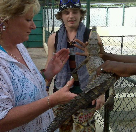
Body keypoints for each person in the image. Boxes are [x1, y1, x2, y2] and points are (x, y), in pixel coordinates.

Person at [0, 0, 78, 131]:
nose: (34, 26)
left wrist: (46, 74)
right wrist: (52, 101)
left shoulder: (18, 46)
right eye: (28, 20)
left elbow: (20, 85)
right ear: (5, 21)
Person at [45, 0, 105, 131]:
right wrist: (45, 87)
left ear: (81, 14)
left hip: (86, 93)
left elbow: (101, 67)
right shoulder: (53, 38)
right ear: (61, 15)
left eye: (75, 12)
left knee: (84, 129)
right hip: (61, 91)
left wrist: (100, 93)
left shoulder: (91, 36)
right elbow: (49, 65)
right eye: (66, 12)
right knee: (63, 127)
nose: (71, 16)